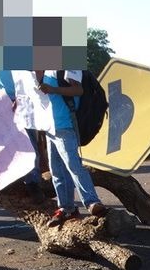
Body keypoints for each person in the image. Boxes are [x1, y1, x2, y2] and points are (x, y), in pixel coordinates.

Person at [34, 70, 106, 226]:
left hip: (65, 125)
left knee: (73, 165)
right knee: (57, 171)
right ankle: (67, 209)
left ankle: (92, 202)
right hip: (49, 127)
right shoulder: (43, 69)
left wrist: (53, 89)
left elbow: (78, 90)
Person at [0, 70, 45, 200]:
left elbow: (30, 74)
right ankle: (9, 179)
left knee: (29, 143)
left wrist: (20, 96)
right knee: (5, 145)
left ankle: (33, 183)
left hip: (21, 100)